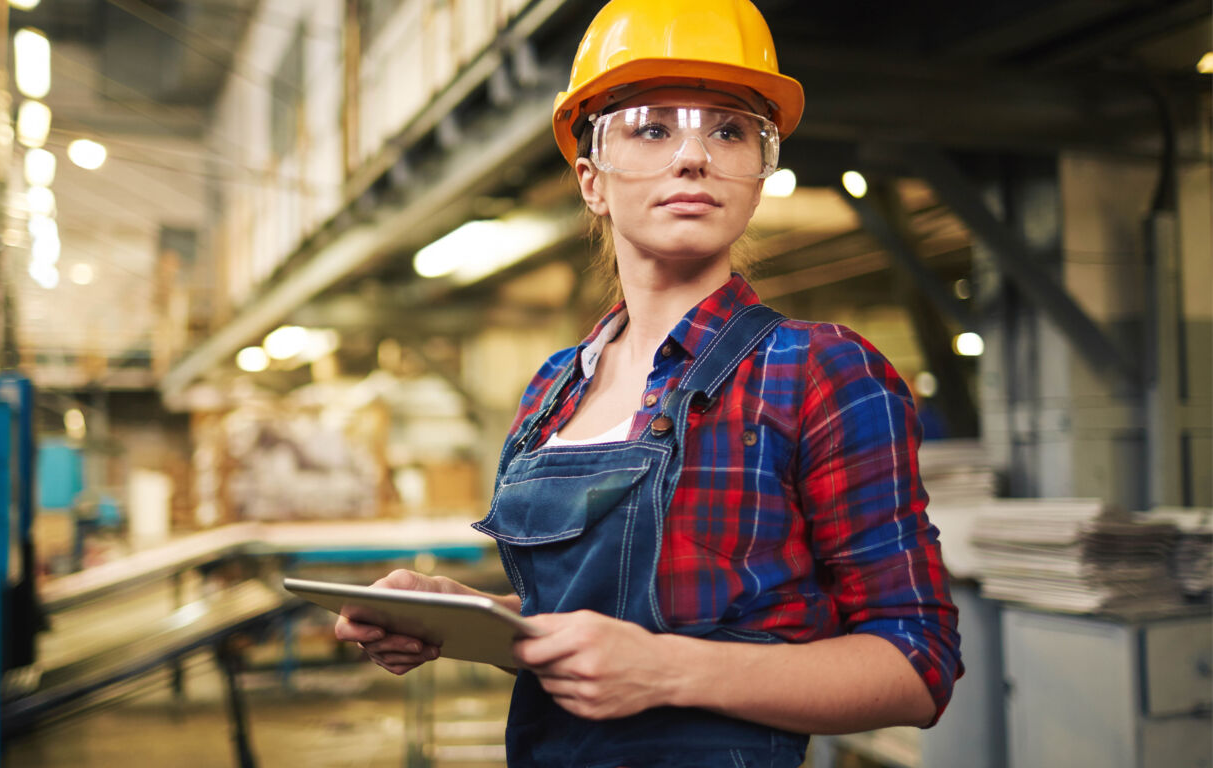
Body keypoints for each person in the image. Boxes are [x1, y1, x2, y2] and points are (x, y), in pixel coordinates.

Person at [336, 1, 963, 765]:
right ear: (591, 180)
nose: (694, 157)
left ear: (758, 173)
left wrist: (669, 672)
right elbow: (578, 632)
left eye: (729, 130)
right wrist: (466, 616)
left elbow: (916, 665)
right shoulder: (551, 391)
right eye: (652, 127)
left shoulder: (817, 371)